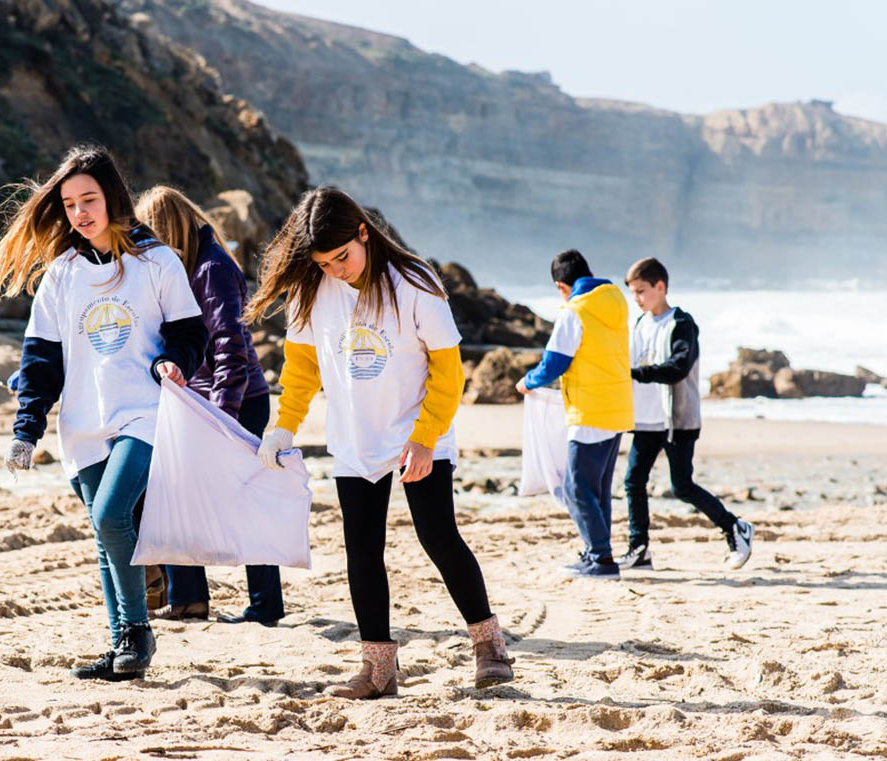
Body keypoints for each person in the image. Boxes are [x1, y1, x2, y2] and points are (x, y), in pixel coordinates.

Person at [249, 186, 515, 699]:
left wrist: (425, 438)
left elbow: (448, 371)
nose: (335, 270)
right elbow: (301, 369)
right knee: (362, 550)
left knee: (438, 537)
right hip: (355, 436)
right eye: (323, 263)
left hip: (419, 432)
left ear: (363, 233)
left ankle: (490, 648)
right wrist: (284, 427)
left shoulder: (414, 282)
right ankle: (378, 670)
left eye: (342, 257)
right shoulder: (310, 290)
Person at [0, 145, 207, 681]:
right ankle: (122, 643)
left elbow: (191, 333)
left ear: (113, 198)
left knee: (110, 515)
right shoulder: (62, 274)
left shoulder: (157, 263)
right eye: (69, 204)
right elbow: (41, 360)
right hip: (82, 423)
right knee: (106, 536)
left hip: (143, 412)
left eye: (89, 199)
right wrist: (26, 429)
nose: (79, 212)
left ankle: (138, 634)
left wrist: (175, 361)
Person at [136, 185, 284, 627]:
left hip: (236, 400)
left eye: (149, 235)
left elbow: (230, 349)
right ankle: (189, 600)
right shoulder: (191, 266)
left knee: (243, 501)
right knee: (176, 496)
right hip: (202, 400)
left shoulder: (211, 268)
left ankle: (262, 605)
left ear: (165, 230)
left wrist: (221, 417)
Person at [621, 257, 754, 570]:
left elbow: (678, 368)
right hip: (646, 419)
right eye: (633, 293)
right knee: (633, 481)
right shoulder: (640, 323)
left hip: (677, 420)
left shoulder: (681, 324)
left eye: (641, 291)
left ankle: (735, 527)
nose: (636, 298)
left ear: (660, 286)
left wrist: (636, 374)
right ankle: (639, 549)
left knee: (682, 486)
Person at [516, 250, 633, 579]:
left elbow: (555, 362)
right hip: (618, 407)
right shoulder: (616, 302)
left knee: (576, 487)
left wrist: (527, 382)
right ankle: (597, 552)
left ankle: (601, 559)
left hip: (590, 410)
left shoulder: (575, 311)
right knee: (597, 489)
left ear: (560, 285)